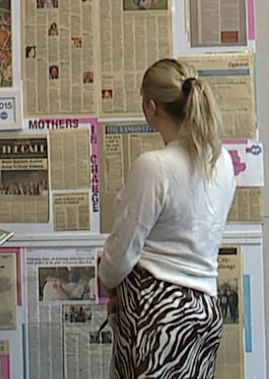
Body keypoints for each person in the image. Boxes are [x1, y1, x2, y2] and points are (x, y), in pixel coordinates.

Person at [98, 58, 236, 379]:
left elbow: (119, 256)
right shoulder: (222, 161)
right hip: (205, 310)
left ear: (150, 106)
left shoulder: (154, 166)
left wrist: (106, 279)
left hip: (157, 314)